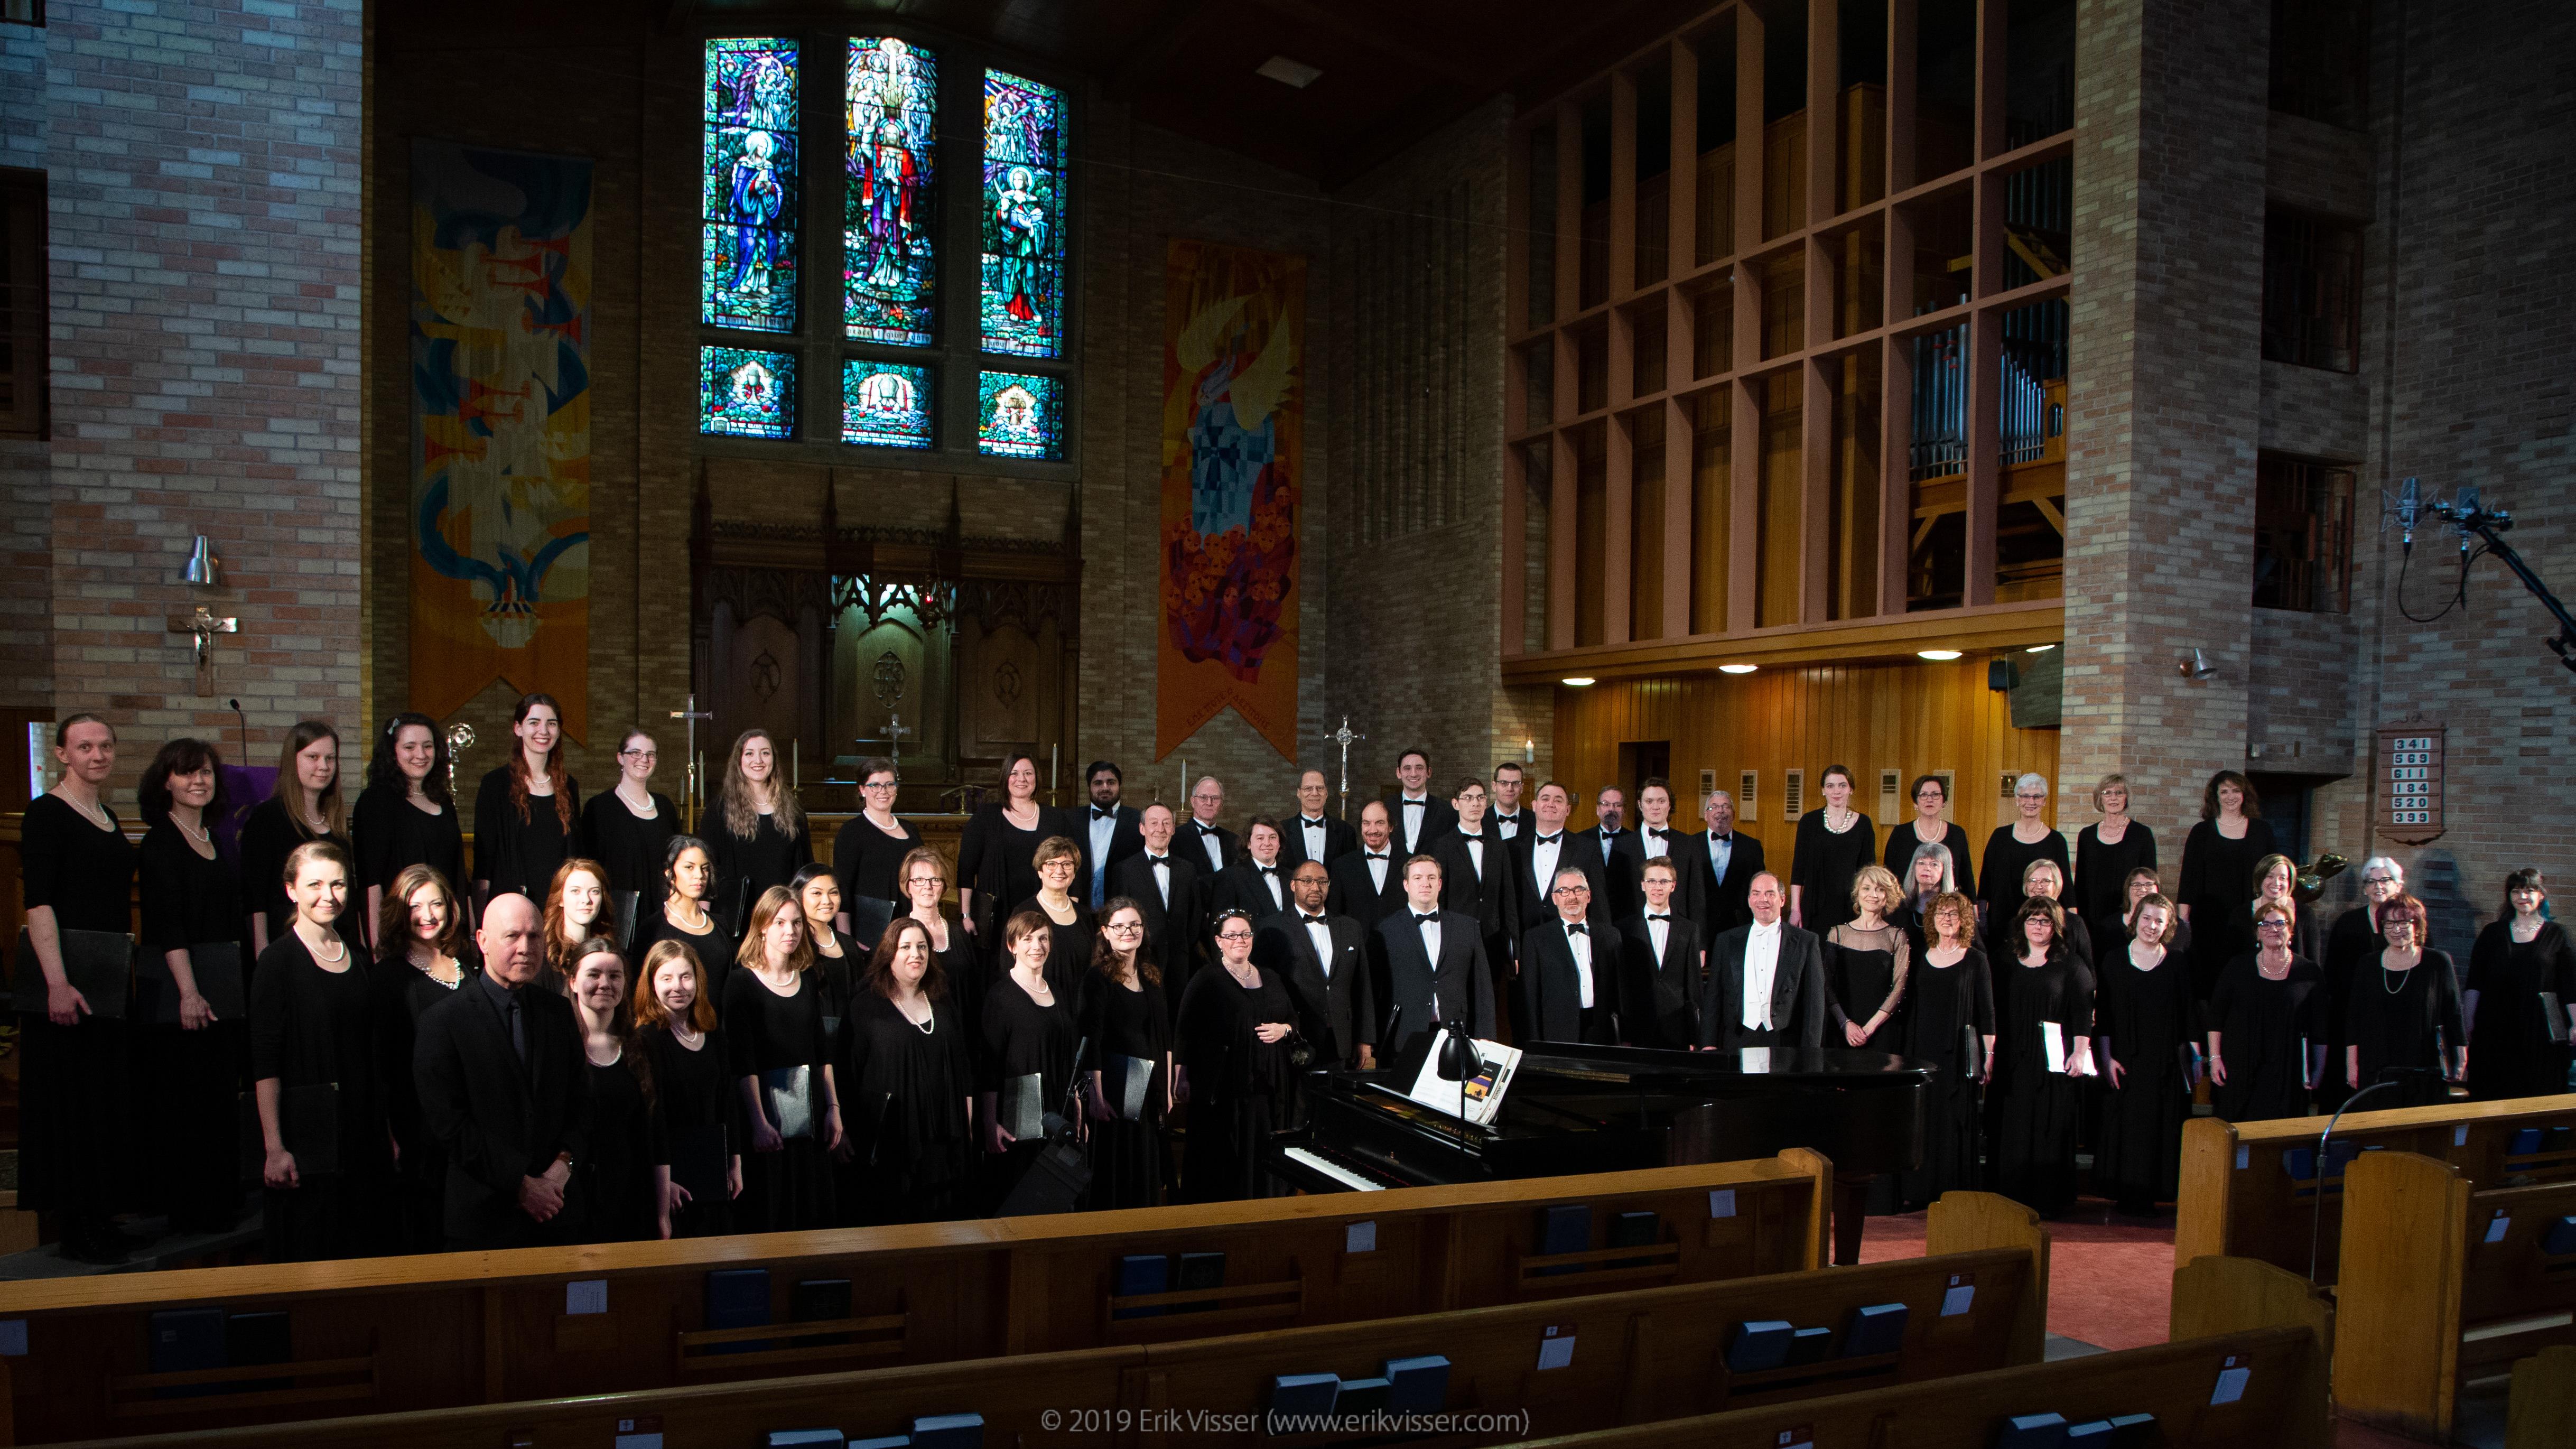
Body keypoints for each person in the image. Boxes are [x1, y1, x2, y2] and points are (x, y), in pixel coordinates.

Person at [19, 715, 138, 1264]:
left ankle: (100, 1216)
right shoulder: (47, 814)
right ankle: (75, 1227)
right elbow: (39, 902)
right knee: (69, 1101)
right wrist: (57, 982)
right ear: (63, 754)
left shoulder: (108, 816)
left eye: (106, 746)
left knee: (102, 1099)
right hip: (67, 979)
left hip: (107, 977)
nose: (98, 754)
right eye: (85, 746)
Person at [414, 891, 590, 1249]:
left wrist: (561, 1170)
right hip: (483, 1222)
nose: (526, 947)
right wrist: (522, 1185)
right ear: (482, 941)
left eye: (535, 936)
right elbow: (449, 1125)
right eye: (512, 936)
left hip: (559, 1213)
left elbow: (581, 1103)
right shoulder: (443, 1022)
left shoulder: (558, 1013)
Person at [252, 840, 392, 1260]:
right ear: (291, 890)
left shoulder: (359, 957)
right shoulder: (276, 962)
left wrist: (385, 1131)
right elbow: (264, 1060)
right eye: (314, 885)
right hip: (308, 1137)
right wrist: (274, 1147)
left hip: (360, 1128)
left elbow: (372, 1052)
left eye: (338, 885)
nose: (328, 896)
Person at [135, 737, 244, 1236]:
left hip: (221, 984)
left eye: (205, 773)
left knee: (217, 1098)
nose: (198, 781)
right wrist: (189, 991)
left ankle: (218, 1202)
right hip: (182, 990)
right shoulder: (160, 840)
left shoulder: (218, 840)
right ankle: (189, 1211)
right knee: (184, 1104)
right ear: (166, 782)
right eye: (186, 773)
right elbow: (166, 925)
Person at [842, 916, 975, 1223]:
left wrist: (966, 1119)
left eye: (922, 947)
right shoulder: (867, 1006)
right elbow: (850, 1071)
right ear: (889, 953)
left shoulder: (942, 1002)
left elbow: (962, 1066)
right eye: (906, 947)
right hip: (893, 1142)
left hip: (943, 1137)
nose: (916, 954)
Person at [725, 886, 843, 1231]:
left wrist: (833, 1109)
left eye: (795, 923)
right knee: (772, 1211)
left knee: (811, 1209)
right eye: (779, 922)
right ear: (762, 925)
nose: (789, 931)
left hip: (810, 1112)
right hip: (766, 1117)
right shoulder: (740, 983)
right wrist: (759, 1123)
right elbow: (741, 1061)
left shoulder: (807, 979)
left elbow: (822, 1053)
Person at [371, 863, 470, 1252]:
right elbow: (385, 1063)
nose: (428, 916)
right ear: (399, 911)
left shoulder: (469, 966)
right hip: (419, 1124)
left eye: (436, 904)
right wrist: (390, 1133)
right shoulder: (388, 977)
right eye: (416, 906)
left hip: (469, 1122)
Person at [1175, 909, 1297, 1202]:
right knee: (1225, 1158)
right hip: (1223, 1088)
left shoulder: (1271, 977)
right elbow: (1184, 1029)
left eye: (1245, 934)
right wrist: (1181, 1075)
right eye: (1231, 935)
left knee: (1260, 1153)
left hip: (1265, 1087)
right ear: (1219, 941)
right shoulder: (1207, 978)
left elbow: (1293, 1018)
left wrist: (1285, 1029)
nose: (1239, 940)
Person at [1989, 897, 2094, 1218]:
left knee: (2049, 1123)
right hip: (2011, 1055)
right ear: (2022, 924)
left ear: (2057, 928)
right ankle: (2010, 1193)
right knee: (2013, 1123)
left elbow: (2082, 1013)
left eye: (2045, 921)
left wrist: (2079, 1052)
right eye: (2032, 920)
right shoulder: (2003, 961)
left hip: (2053, 1058)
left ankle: (2048, 1197)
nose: (2038, 926)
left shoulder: (2071, 965)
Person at [2093, 894, 2196, 1215]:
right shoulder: (2112, 960)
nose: (2152, 926)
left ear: (2168, 927)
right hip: (2125, 1060)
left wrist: (2196, 1059)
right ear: (2136, 919)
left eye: (2159, 921)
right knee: (2126, 1127)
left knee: (2160, 1128)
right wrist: (2106, 1058)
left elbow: (2190, 1016)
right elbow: (2104, 1016)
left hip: (2164, 1061)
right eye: (2147, 918)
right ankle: (2125, 1192)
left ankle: (2154, 1193)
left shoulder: (2178, 962)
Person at [633, 939, 741, 1238]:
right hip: (672, 1178)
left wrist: (735, 1163)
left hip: (713, 1170)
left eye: (685, 977)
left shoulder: (712, 1032)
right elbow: (655, 1120)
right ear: (651, 984)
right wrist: (663, 1186)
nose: (678, 987)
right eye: (666, 978)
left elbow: (727, 1101)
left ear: (698, 979)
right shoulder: (646, 1040)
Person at [979, 910, 1082, 1208]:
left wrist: (1076, 1107)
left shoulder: (1059, 993)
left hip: (1057, 1110)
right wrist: (989, 1122)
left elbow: (1068, 1054)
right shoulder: (1000, 997)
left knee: (1057, 1199)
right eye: (1027, 939)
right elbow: (989, 1064)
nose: (1037, 946)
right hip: (1018, 1117)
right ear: (1012, 946)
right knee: (1021, 1199)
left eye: (1043, 938)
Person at [1899, 891, 1994, 1211]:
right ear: (1932, 919)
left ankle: (1954, 1191)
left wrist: (1989, 1055)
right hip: (1923, 1051)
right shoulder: (1921, 955)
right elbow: (1910, 1007)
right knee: (1924, 1118)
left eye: (1954, 914)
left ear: (1965, 920)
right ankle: (1920, 1188)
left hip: (1958, 1053)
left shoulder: (1976, 959)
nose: (1947, 919)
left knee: (1954, 1120)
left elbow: (1987, 1012)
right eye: (1941, 914)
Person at [1080, 900, 1171, 1210]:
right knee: (1119, 1165)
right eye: (1119, 926)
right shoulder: (1098, 979)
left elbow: (1164, 1035)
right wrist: (1096, 1095)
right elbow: (1091, 1040)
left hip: (1147, 1085)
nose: (1128, 932)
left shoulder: (1150, 975)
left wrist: (1168, 1087)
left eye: (1135, 925)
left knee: (1145, 1161)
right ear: (1105, 932)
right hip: (1116, 1087)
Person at [569, 941, 658, 1242]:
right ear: (573, 982)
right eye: (594, 974)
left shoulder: (638, 1047)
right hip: (575, 1196)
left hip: (630, 1196)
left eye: (615, 976)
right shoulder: (560, 1046)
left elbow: (650, 1132)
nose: (605, 984)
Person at [352, 713, 465, 949]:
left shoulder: (443, 801)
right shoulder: (376, 802)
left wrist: (469, 936)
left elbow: (458, 874)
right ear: (393, 752)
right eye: (410, 747)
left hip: (445, 934)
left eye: (428, 746)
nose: (421, 755)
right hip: (401, 934)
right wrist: (377, 948)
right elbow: (371, 883)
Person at [2207, 897, 2323, 1123]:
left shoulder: (2309, 972)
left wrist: (2318, 1068)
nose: (2273, 929)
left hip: (2288, 1069)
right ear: (2257, 934)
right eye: (2265, 925)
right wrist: (2215, 1058)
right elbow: (2216, 1017)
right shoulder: (2237, 967)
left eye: (2280, 924)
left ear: (2291, 932)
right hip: (2239, 1066)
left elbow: (2320, 1025)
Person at [240, 720, 352, 955]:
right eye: (313, 757)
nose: (323, 766)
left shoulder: (337, 823)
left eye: (330, 759)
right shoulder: (267, 818)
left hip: (336, 945)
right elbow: (255, 899)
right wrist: (263, 955)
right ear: (293, 761)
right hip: (285, 945)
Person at [2465, 870, 2576, 1102]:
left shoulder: (2558, 935)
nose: (2523, 896)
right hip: (2494, 1030)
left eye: (2529, 890)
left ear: (2541, 896)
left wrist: (2575, 1023)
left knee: (2536, 1098)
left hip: (2540, 1034)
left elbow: (2569, 986)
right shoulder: (2492, 934)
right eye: (2516, 891)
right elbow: (2475, 982)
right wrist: (2468, 1024)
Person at [2343, 894, 2463, 1108]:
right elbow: (2354, 1018)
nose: (2396, 929)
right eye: (2389, 923)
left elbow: (2453, 1013)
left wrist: (2461, 1059)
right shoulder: (2367, 964)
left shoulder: (2438, 962)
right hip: (2376, 1066)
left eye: (2403, 922)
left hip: (2424, 1067)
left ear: (2417, 925)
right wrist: (2352, 1064)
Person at [1254, 862, 1374, 1070]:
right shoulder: (1271, 928)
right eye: (1307, 881)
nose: (1315, 888)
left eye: (1322, 882)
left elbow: (1362, 986)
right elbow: (1265, 989)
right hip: (1295, 1039)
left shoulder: (1350, 927)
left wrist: (1365, 1040)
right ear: (1293, 885)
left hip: (1341, 1040)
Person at [1372, 856, 1497, 1056]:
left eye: (1431, 878)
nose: (1425, 883)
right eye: (1418, 878)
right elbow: (1377, 990)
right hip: (1403, 1035)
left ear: (1440, 884)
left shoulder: (1467, 927)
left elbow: (1482, 986)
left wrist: (1486, 1034)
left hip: (1458, 1032)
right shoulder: (1386, 930)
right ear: (1406, 885)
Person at [959, 753, 1074, 953]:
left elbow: (1072, 866)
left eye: (1028, 773)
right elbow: (966, 870)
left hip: (1044, 910)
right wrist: (966, 915)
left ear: (1036, 779)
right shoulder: (986, 816)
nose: (1022, 779)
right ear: (1005, 778)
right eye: (1015, 773)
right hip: (996, 915)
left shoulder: (1055, 818)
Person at [471, 693, 581, 905]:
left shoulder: (568, 786)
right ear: (518, 728)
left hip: (558, 906)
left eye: (551, 723)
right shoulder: (495, 784)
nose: (544, 731)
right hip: (512, 904)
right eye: (534, 722)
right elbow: (484, 858)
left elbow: (575, 853)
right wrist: (480, 914)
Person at [1698, 872, 1827, 1051]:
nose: (1762, 899)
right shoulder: (1726, 940)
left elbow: (1815, 1003)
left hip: (1785, 1040)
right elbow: (1714, 995)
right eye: (1756, 893)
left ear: (1782, 900)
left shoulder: (1806, 942)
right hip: (1738, 1037)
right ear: (1749, 900)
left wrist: (1810, 1052)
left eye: (1770, 893)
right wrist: (1708, 1042)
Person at [2177, 770, 2277, 999]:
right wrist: (2184, 923)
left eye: (2236, 790)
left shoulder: (2262, 831)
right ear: (2215, 797)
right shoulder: (2201, 832)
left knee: (2248, 980)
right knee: (2209, 982)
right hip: (2208, 921)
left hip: (2251, 918)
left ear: (2245, 795)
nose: (2230, 796)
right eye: (2224, 791)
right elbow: (2189, 880)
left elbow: (2274, 877)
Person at [2318, 856, 2404, 1110]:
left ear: (2398, 885)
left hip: (2394, 1019)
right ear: (2365, 888)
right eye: (2371, 881)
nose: (2378, 886)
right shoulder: (2348, 923)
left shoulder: (2411, 923)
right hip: (2351, 1016)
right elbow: (2332, 974)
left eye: (2385, 880)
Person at [709, 728, 813, 928]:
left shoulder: (793, 810)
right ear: (738, 761)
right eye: (749, 753)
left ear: (774, 759)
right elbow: (710, 869)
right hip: (737, 918)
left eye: (765, 753)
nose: (758, 760)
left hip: (784, 916)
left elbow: (805, 866)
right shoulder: (718, 810)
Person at [579, 729, 677, 935]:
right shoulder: (599, 808)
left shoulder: (666, 806)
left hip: (665, 914)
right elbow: (589, 867)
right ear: (620, 758)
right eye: (635, 753)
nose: (644, 759)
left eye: (650, 754)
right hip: (618, 917)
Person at [1110, 803, 1207, 1010]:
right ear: (1142, 828)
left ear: (1174, 829)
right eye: (1154, 823)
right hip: (1140, 961)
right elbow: (1117, 920)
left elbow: (1194, 916)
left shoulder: (1187, 869)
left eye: (1166, 824)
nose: (1160, 829)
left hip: (1179, 964)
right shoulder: (1125, 870)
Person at [1522, 866, 1622, 1044]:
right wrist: (1535, 1042)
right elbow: (1531, 997)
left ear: (1589, 896)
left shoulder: (1610, 936)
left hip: (1602, 1031)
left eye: (1578, 890)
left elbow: (1620, 990)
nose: (1571, 897)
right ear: (1554, 899)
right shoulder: (1536, 939)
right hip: (1557, 1033)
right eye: (1563, 891)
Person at [634, 835, 737, 1007]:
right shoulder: (653, 929)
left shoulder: (720, 924)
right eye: (689, 867)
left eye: (705, 868)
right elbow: (640, 993)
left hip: (720, 1028)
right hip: (673, 1028)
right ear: (670, 873)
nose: (700, 875)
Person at [1978, 773, 2068, 962]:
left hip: (2041, 923)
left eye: (2037, 797)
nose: (2031, 801)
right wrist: (1982, 920)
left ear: (2044, 801)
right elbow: (1985, 882)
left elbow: (2066, 888)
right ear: (2017, 800)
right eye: (2025, 796)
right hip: (2001, 922)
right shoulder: (1999, 837)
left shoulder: (2056, 841)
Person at [1615, 858, 1702, 1051]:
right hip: (1637, 1027)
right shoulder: (1623, 929)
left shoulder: (1689, 929)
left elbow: (1693, 986)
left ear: (1673, 886)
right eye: (1652, 881)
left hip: (1677, 1027)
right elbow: (1621, 987)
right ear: (1643, 885)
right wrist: (1625, 1033)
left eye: (1664, 882)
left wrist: (1695, 1035)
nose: (1657, 887)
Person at [1432, 777, 1514, 971]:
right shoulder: (1443, 846)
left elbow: (1508, 900)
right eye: (1468, 798)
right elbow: (1439, 899)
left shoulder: (1499, 847)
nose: (1475, 803)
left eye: (1480, 798)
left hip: (1493, 940)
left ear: (1486, 802)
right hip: (1455, 939)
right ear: (1456, 804)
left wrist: (1514, 948)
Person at [831, 756, 921, 930]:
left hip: (909, 924)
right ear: (862, 790)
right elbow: (842, 890)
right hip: (869, 930)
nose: (883, 791)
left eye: (890, 784)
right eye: (875, 785)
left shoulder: (911, 830)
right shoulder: (851, 832)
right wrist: (846, 939)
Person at [1827, 866, 1911, 1051]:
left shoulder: (1896, 936)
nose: (1873, 894)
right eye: (1867, 888)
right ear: (1857, 894)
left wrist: (1871, 1027)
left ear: (1888, 895)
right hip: (1842, 1030)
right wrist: (1845, 1024)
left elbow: (1900, 986)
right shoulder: (1837, 934)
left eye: (1880, 889)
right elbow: (1827, 985)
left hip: (1882, 1030)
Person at [1013, 835, 1099, 1010]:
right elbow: (1011, 969)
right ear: (1040, 871)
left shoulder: (1086, 916)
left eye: (1067, 864)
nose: (1059, 871)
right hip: (1039, 1011)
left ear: (1074, 873)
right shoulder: (1023, 913)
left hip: (1080, 1012)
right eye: (1051, 864)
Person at [1791, 765, 1877, 937]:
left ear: (1851, 789)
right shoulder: (1808, 822)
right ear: (1823, 790)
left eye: (1842, 785)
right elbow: (1798, 869)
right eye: (1830, 786)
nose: (1836, 791)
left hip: (1851, 905)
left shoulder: (1864, 824)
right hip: (1815, 905)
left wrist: (1868, 909)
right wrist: (1795, 909)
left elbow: (1869, 872)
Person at [1680, 789, 1765, 941]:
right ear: (1705, 815)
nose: (1720, 811)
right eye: (1714, 807)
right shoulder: (1688, 845)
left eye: (1726, 807)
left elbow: (1759, 886)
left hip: (1739, 925)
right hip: (1700, 925)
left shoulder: (1751, 847)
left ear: (1734, 814)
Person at [793, 862, 863, 1043]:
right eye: (817, 893)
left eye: (833, 892)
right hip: (810, 1042)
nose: (827, 901)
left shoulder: (848, 944)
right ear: (799, 896)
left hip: (850, 1042)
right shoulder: (793, 945)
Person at [1883, 774, 1977, 900]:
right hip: (1905, 906)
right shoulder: (1900, 833)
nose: (1929, 799)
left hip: (1946, 907)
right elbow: (1889, 874)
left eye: (1935, 795)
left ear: (1944, 801)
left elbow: (1966, 875)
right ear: (1916, 803)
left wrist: (1973, 905)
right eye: (1923, 795)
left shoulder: (1957, 834)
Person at [1327, 800, 1407, 929]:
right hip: (1357, 946)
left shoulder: (1410, 863)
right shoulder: (1342, 866)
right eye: (1367, 823)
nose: (1373, 830)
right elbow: (1335, 914)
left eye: (1380, 823)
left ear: (1391, 827)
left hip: (1399, 945)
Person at [1075, 760, 1143, 909]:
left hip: (1122, 907)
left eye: (1111, 782)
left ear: (1119, 786)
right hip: (1079, 906)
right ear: (1089, 787)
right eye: (1098, 783)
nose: (1105, 788)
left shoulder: (1137, 820)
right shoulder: (1072, 819)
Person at [540, 858, 612, 995]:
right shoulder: (544, 955)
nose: (586, 900)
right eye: (575, 891)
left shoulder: (611, 951)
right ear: (561, 899)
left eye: (595, 891)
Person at [1208, 816, 1292, 925]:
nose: (1267, 843)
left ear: (1279, 843)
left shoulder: (1292, 877)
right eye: (1260, 838)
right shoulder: (1230, 877)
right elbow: (1220, 926)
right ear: (1248, 843)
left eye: (1272, 837)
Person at [1582, 785, 1645, 921]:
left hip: (1627, 917)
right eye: (1606, 804)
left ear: (1624, 810)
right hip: (1591, 915)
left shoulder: (1637, 841)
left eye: (1617, 805)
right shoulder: (1581, 841)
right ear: (1598, 809)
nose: (1611, 809)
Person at [2248, 853, 2320, 967]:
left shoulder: (2305, 914)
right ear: (2260, 878)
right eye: (2270, 876)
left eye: (2283, 878)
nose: (2276, 883)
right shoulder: (2240, 914)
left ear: (2290, 882)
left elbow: (2313, 964)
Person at [1278, 768, 1355, 872]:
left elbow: (1350, 872)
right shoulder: (1281, 830)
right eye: (1308, 789)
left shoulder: (1346, 831)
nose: (1315, 793)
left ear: (1326, 793)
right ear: (1299, 793)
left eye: (1320, 788)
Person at [2022, 859, 2094, 968]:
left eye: (2045, 881)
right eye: (2033, 881)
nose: (2039, 886)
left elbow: (2087, 966)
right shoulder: (2017, 921)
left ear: (2057, 885)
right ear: (2026, 886)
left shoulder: (2074, 923)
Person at [1383, 748, 1457, 856]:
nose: (1413, 774)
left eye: (1419, 768)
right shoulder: (1385, 808)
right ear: (1399, 773)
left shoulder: (1447, 811)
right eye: (1407, 768)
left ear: (1429, 772)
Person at [1179, 775, 1239, 874]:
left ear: (1222, 805)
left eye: (1215, 798)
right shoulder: (1177, 838)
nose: (1209, 803)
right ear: (1193, 802)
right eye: (1203, 797)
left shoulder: (1235, 841)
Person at [1489, 760, 1530, 841]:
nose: (1510, 789)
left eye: (1516, 783)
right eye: (1504, 783)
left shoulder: (1535, 821)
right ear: (1494, 786)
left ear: (1522, 788)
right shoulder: (1480, 821)